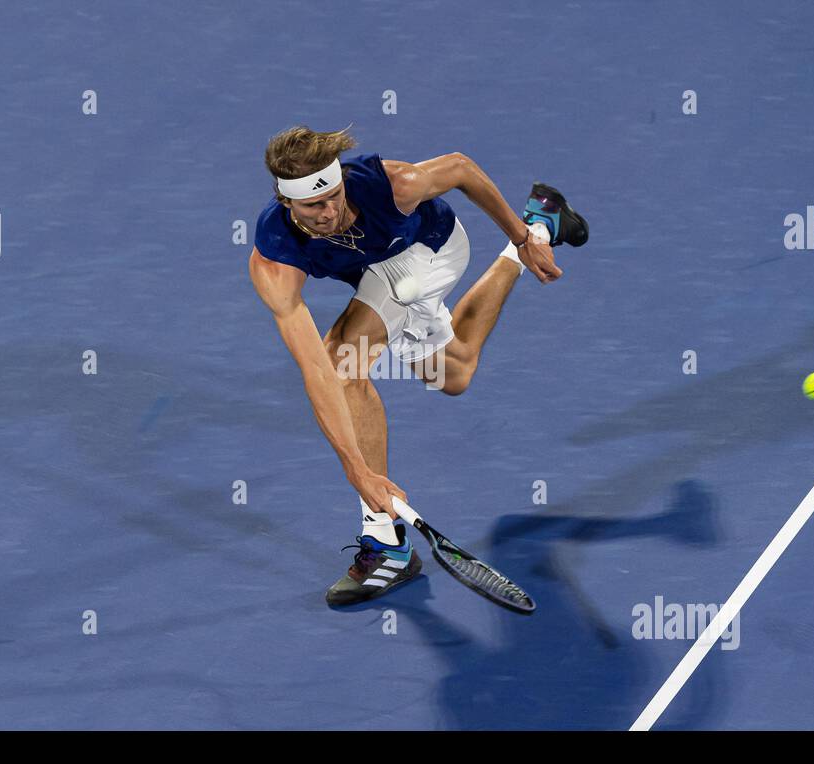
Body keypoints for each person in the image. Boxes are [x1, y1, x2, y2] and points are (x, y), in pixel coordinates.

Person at [247, 125, 588, 605]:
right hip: (377, 274)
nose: (330, 213)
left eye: (335, 198)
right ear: (289, 205)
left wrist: (512, 230)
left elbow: (461, 168)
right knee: (452, 374)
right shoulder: (273, 261)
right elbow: (312, 373)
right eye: (313, 208)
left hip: (432, 248)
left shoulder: (393, 184)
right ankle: (542, 223)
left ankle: (385, 544)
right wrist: (355, 469)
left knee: (344, 359)